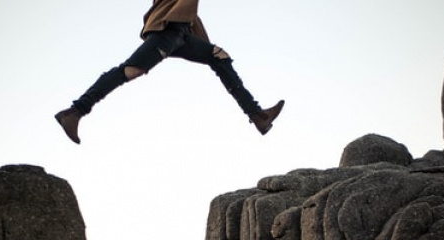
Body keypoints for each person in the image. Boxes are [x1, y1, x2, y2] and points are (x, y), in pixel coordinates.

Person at [55, 0, 284, 144]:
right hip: (167, 31)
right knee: (130, 70)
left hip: (183, 33)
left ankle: (258, 116)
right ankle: (75, 112)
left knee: (219, 56)